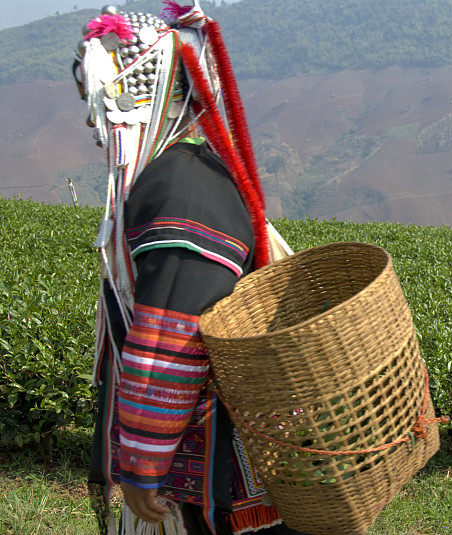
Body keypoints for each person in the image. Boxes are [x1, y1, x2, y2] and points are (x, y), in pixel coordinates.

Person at [73, 2, 298, 533]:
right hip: (224, 462)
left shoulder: (183, 187)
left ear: (132, 95)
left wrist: (143, 463)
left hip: (220, 476)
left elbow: (172, 339)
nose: (91, 118)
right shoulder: (188, 174)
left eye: (97, 97)